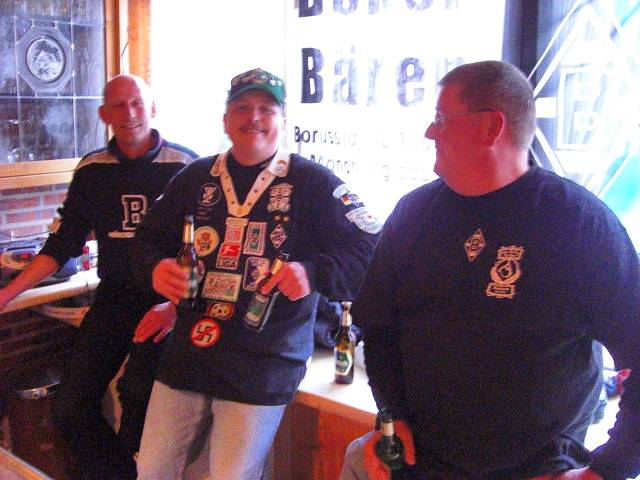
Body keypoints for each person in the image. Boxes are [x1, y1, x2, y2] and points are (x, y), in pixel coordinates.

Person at [339, 60, 640, 480]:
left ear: (491, 127)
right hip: (420, 460)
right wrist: (392, 416)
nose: (429, 132)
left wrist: (607, 470)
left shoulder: (578, 224)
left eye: (441, 119)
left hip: (534, 467)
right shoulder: (414, 213)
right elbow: (381, 330)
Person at [132, 68, 380, 480]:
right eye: (243, 107)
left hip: (265, 355)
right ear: (225, 120)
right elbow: (143, 240)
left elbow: (372, 243)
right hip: (191, 348)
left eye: (267, 108)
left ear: (283, 120)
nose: (254, 117)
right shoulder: (195, 177)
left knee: (231, 475)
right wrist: (154, 267)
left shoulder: (313, 181)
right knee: (152, 469)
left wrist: (313, 272)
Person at [0, 74, 198, 479]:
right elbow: (61, 245)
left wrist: (176, 308)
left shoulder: (186, 166)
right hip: (113, 301)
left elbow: (204, 251)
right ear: (104, 114)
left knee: (137, 400)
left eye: (137, 103)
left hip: (165, 306)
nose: (130, 113)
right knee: (69, 407)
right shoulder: (92, 170)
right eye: (119, 105)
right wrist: (6, 294)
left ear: (153, 108)